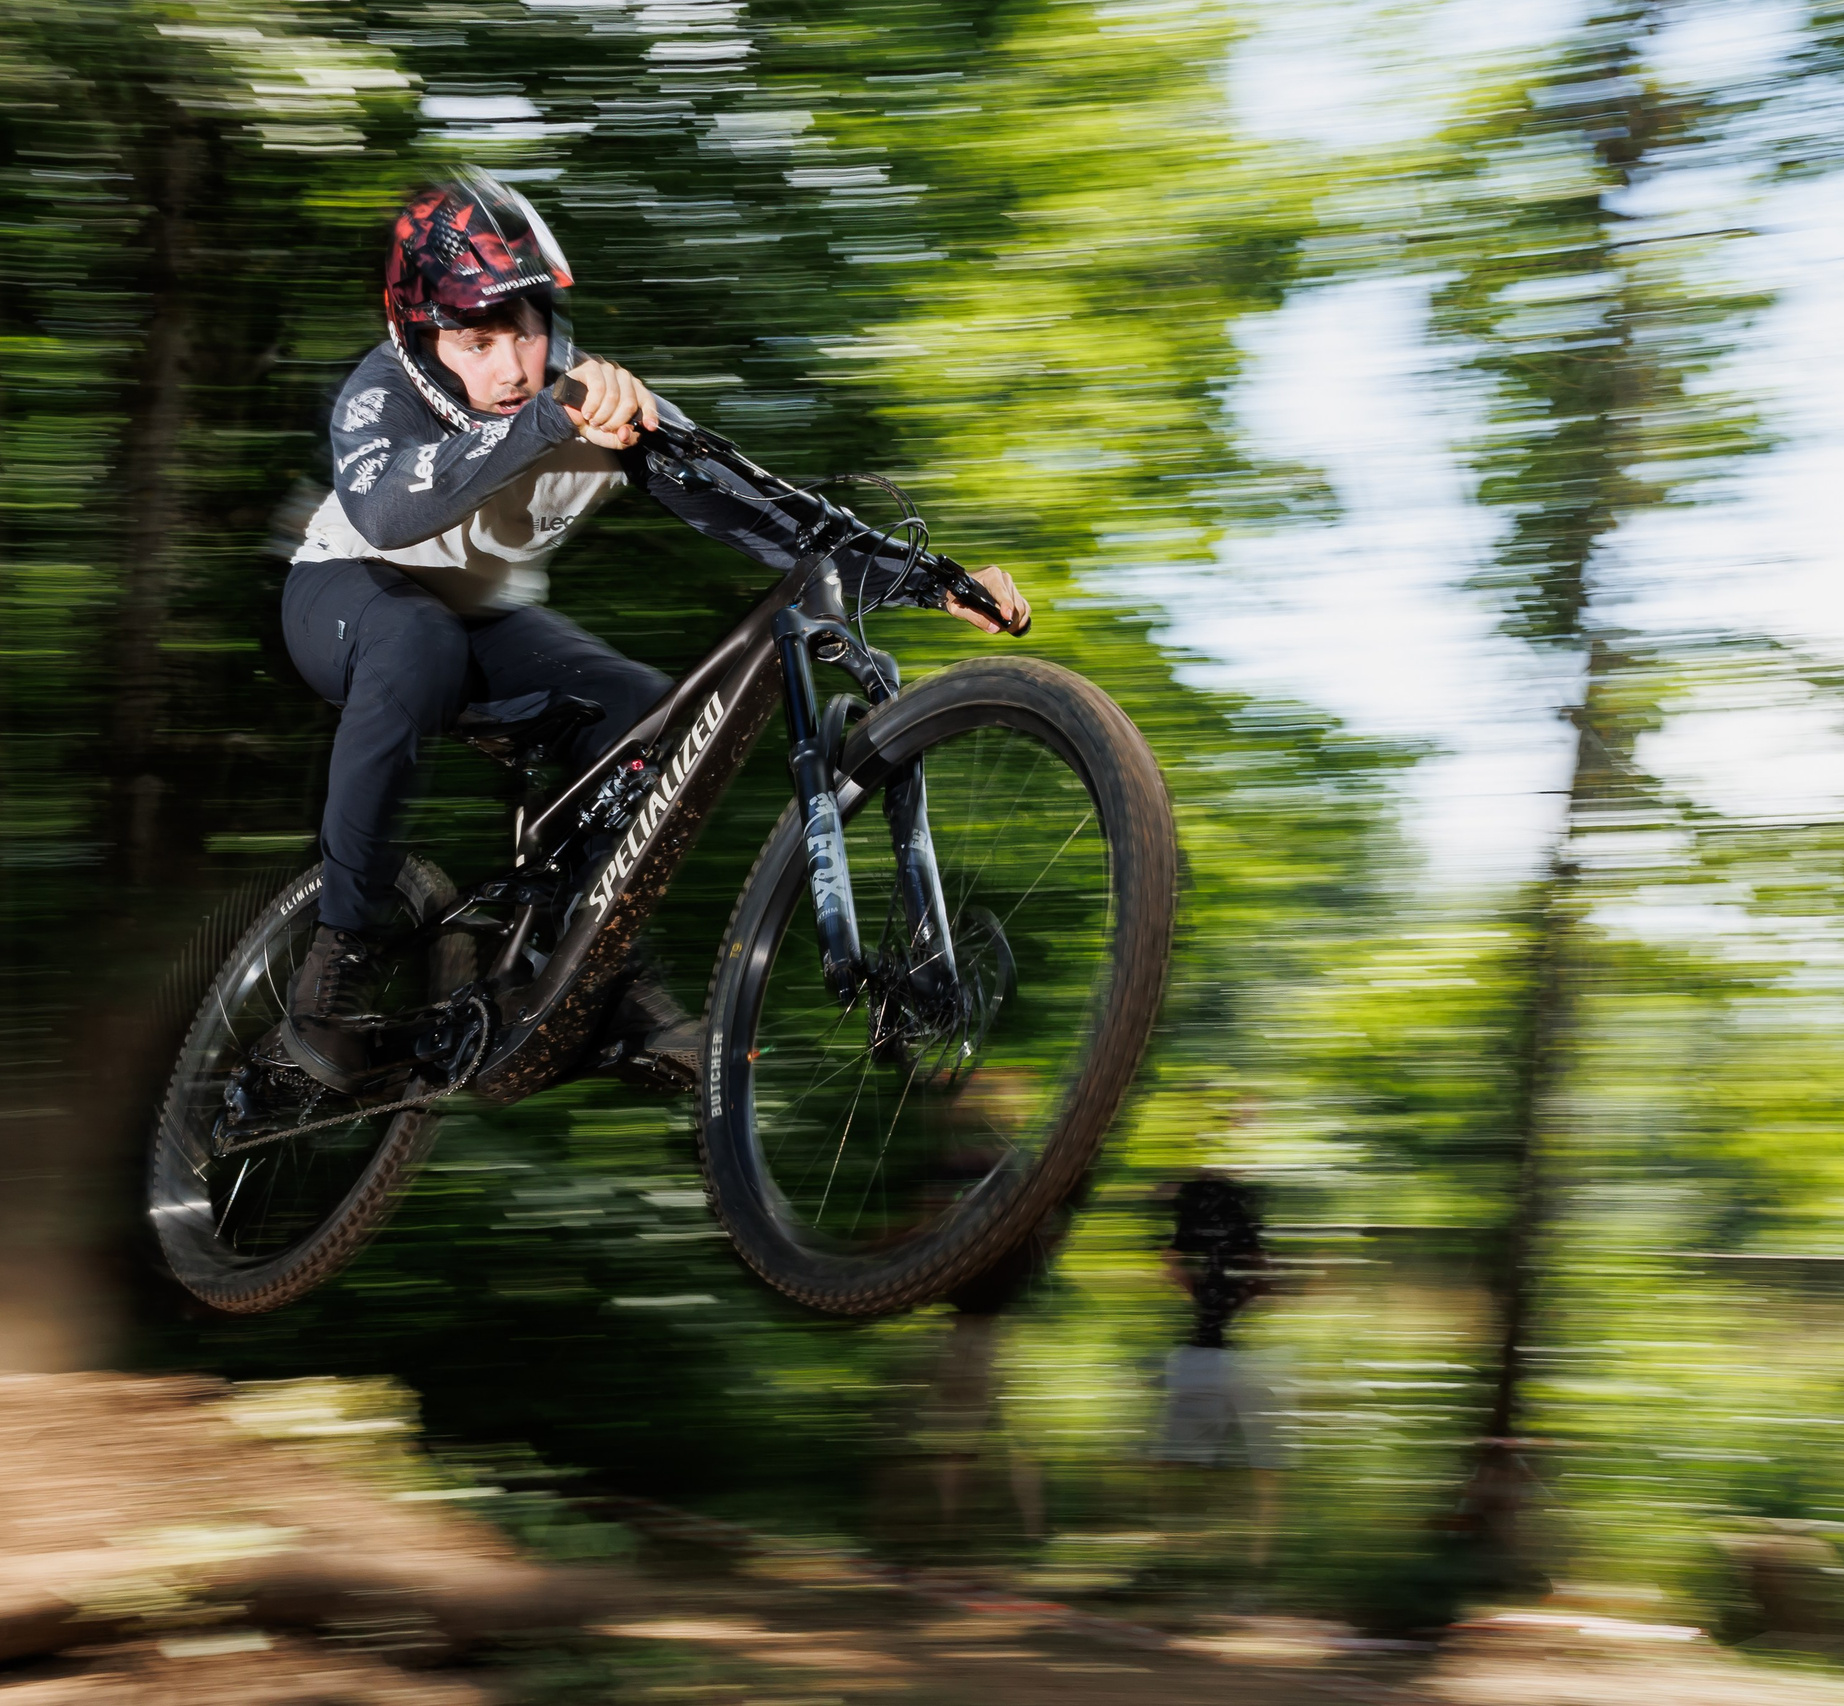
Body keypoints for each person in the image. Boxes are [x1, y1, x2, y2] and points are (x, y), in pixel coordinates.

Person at [277, 169, 1031, 1093]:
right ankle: (336, 963)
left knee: (649, 713)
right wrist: (549, 418)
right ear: (426, 343)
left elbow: (766, 510)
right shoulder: (381, 393)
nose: (512, 365)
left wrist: (932, 578)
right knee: (416, 643)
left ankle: (593, 976)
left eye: (526, 330)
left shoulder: (598, 401)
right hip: (348, 599)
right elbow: (390, 512)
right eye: (477, 342)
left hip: (484, 622)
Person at [1152, 1171, 1284, 1577]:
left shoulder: (1193, 1218)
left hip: (1205, 1351)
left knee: (1178, 1464)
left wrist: (1201, 1298)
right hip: (1254, 1356)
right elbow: (1268, 1284)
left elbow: (1170, 1267)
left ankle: (1173, 1557)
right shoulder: (1251, 1229)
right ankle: (1255, 1565)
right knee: (1261, 1469)